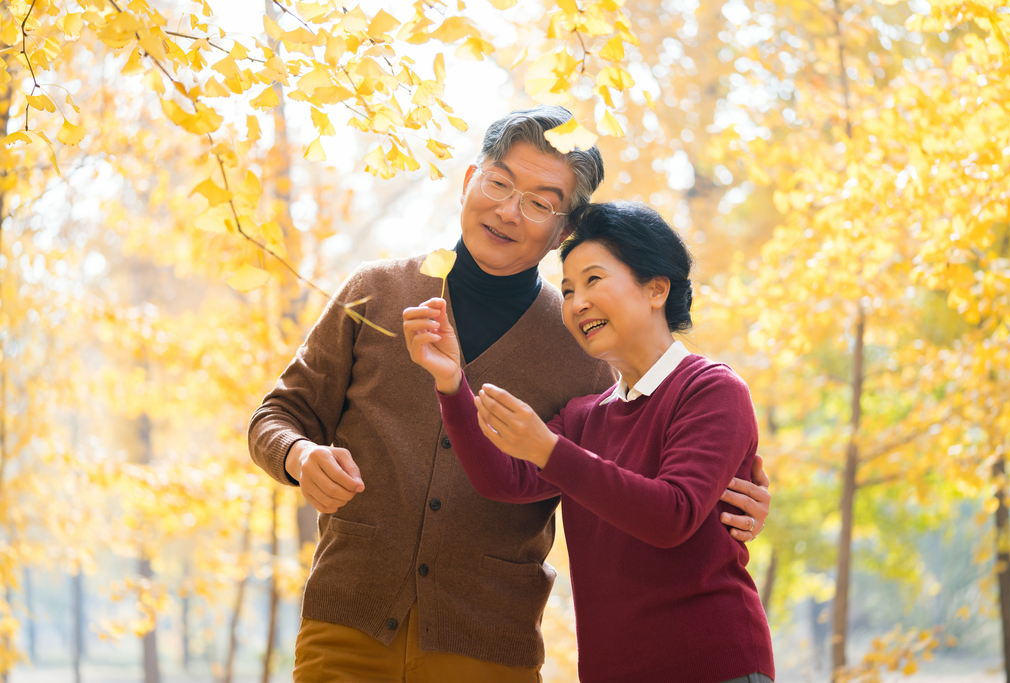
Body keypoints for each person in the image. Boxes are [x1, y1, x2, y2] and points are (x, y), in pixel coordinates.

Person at [248, 106, 771, 682]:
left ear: (564, 230)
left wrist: (734, 495)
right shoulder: (374, 291)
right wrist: (299, 456)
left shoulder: (585, 345)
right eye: (499, 183)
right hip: (348, 620)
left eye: (541, 202)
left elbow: (650, 475)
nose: (509, 211)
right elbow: (278, 414)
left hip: (491, 640)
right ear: (471, 179)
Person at [403, 201, 774, 683]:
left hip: (714, 666)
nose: (576, 304)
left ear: (656, 287)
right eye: (569, 289)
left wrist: (550, 451)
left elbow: (672, 514)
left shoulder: (711, 389)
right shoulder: (584, 416)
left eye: (594, 281)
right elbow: (502, 480)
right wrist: (452, 383)